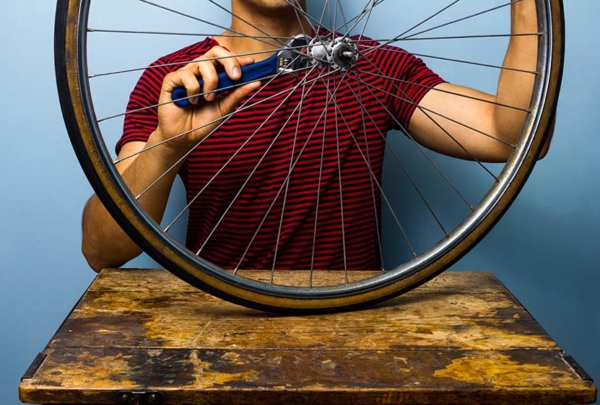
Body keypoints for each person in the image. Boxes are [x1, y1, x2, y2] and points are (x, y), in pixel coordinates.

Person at [81, 0, 548, 272]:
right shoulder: (174, 80)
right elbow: (101, 250)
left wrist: (531, 6)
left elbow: (514, 137)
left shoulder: (373, 65)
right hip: (219, 326)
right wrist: (169, 144)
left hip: (355, 328)